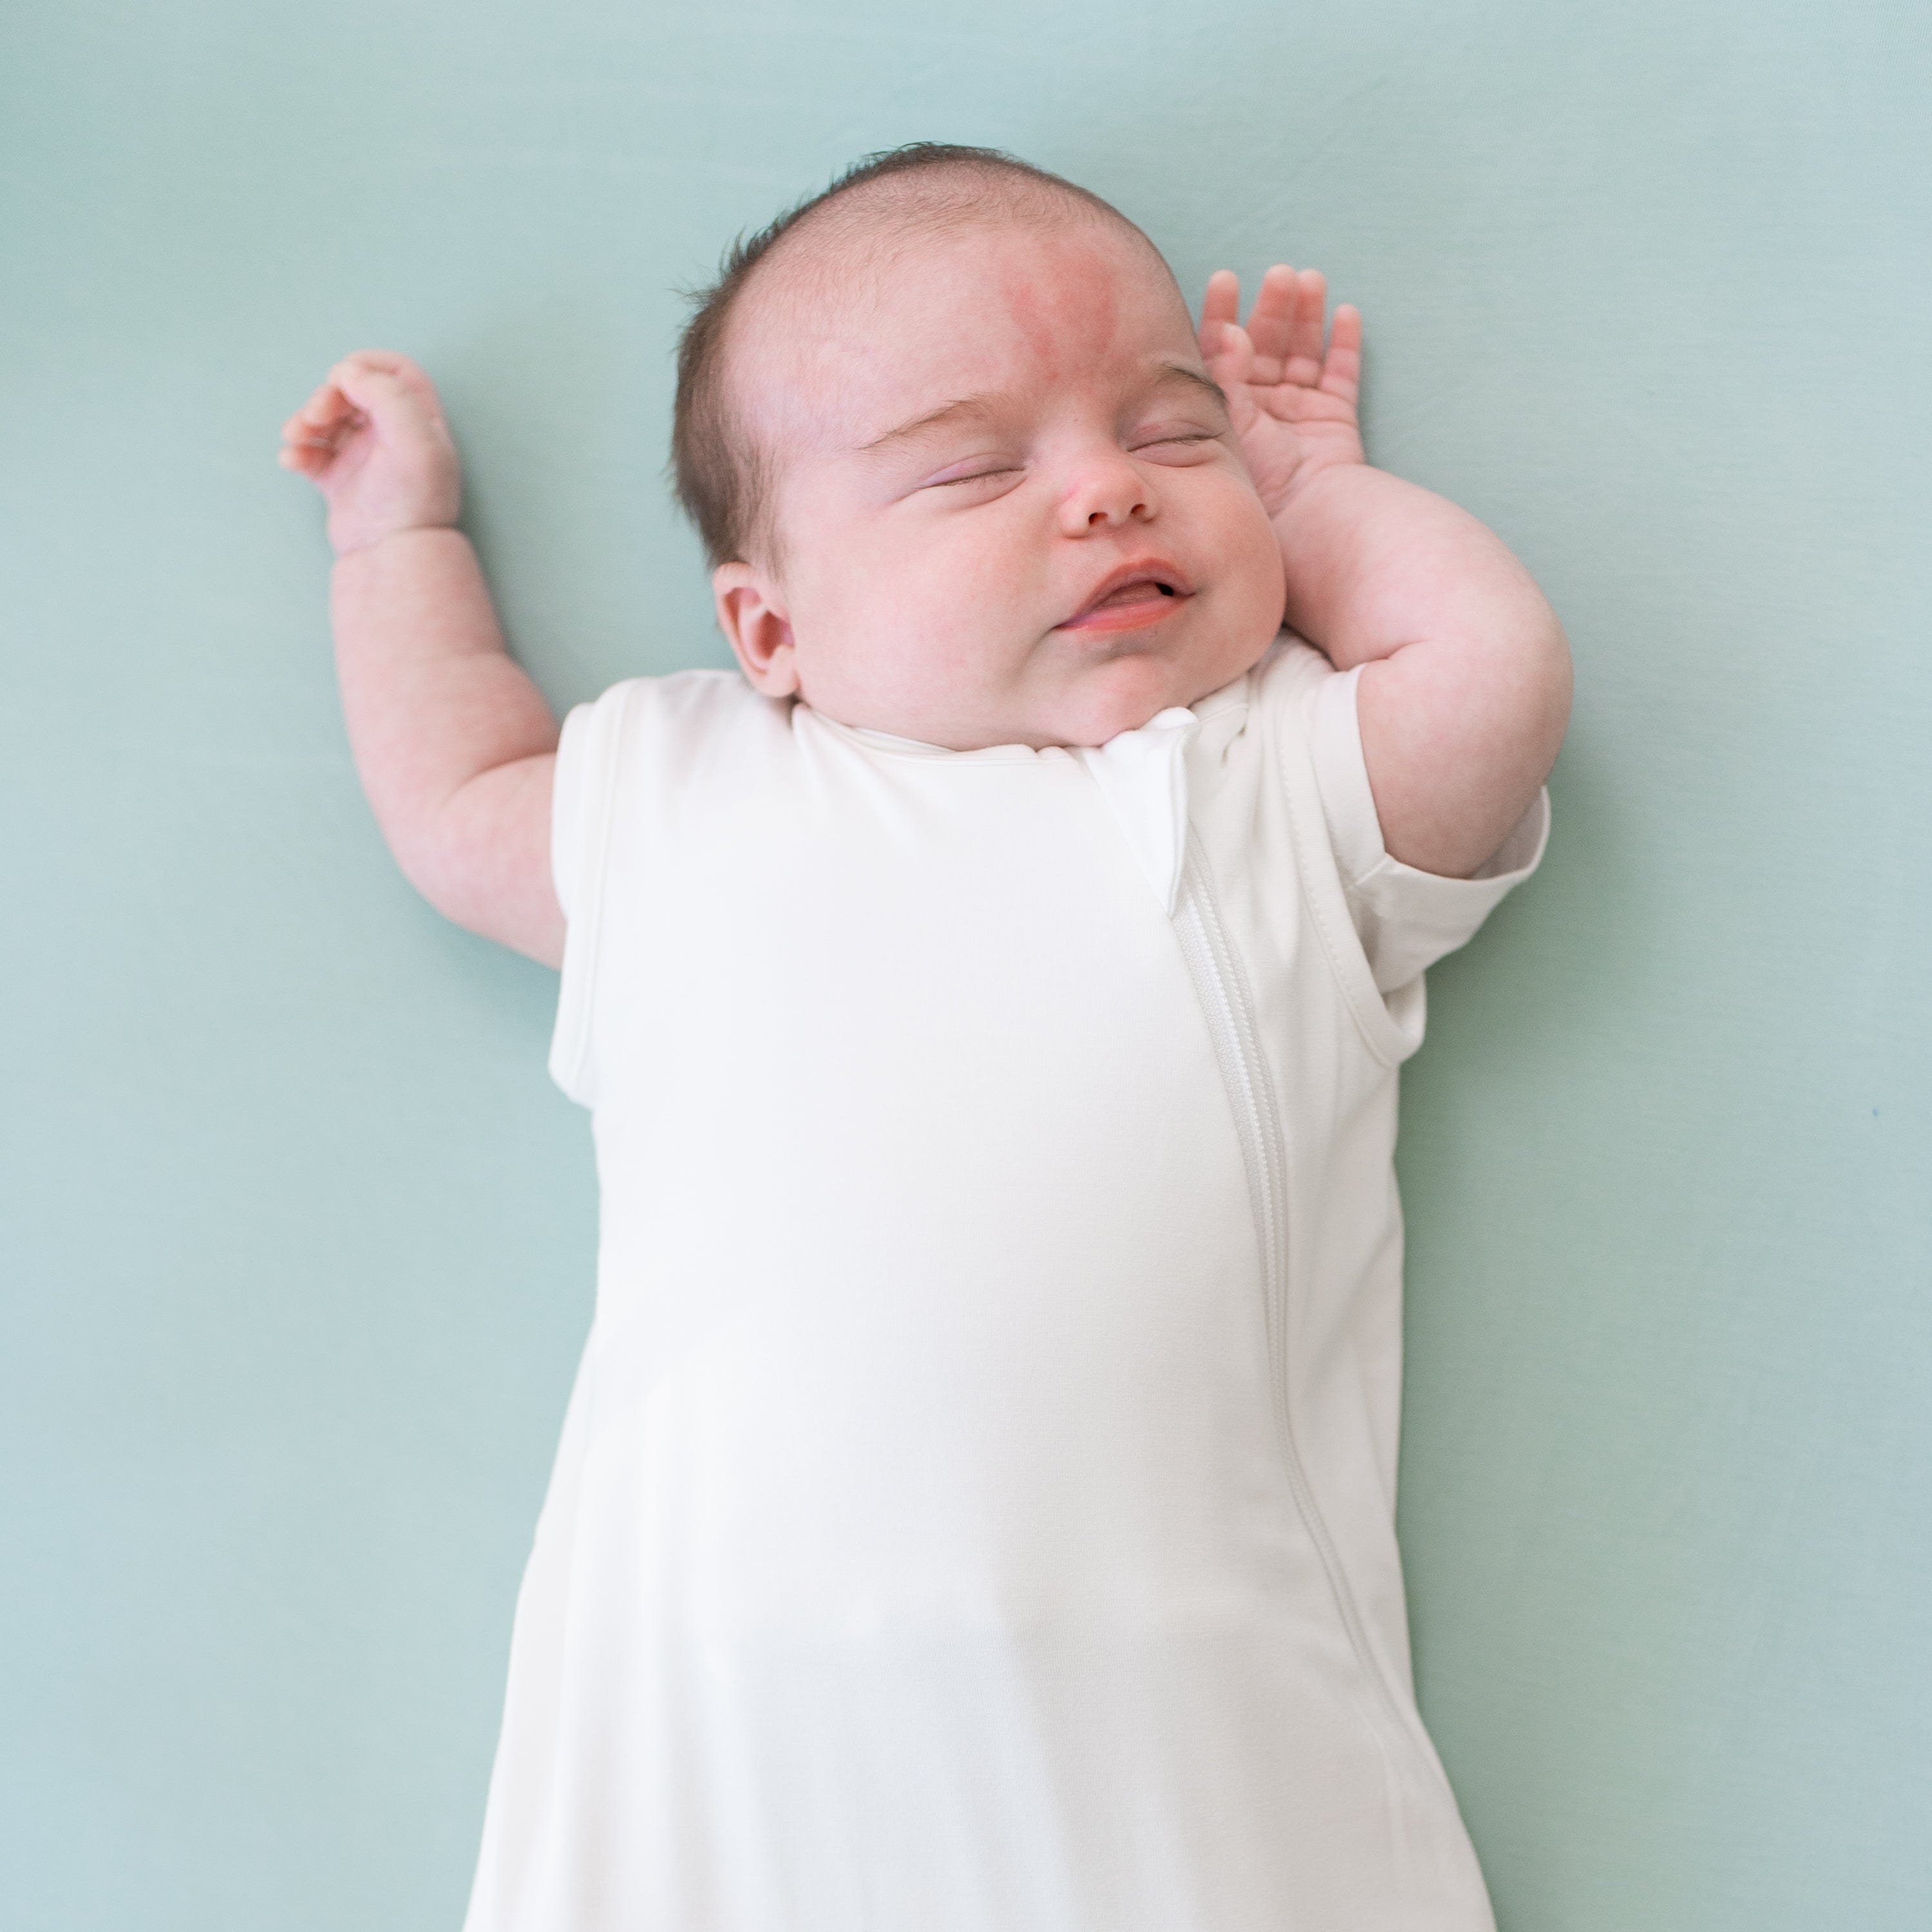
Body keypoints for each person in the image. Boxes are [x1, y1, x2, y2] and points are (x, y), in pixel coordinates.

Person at [279, 141, 1571, 1932]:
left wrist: (1309, 490)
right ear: (770, 626)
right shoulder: (682, 798)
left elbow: (1490, 676)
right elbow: (456, 794)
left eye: (1174, 432)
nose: (1109, 492)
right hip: (700, 1767)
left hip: (1183, 1765)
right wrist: (394, 541)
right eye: (977, 466)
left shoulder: (1256, 782)